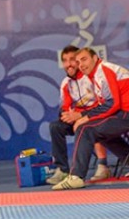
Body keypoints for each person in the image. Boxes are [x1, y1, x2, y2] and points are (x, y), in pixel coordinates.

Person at [52, 47, 129, 190]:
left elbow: (113, 103)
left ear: (95, 58)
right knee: (100, 132)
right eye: (78, 61)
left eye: (84, 59)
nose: (81, 64)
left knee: (86, 129)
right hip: (123, 111)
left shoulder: (103, 71)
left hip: (125, 112)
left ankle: (76, 176)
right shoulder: (95, 75)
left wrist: (83, 117)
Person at [47, 45, 110, 185]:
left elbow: (103, 105)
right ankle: (62, 169)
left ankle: (102, 165)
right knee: (55, 127)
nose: (68, 64)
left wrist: (82, 117)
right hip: (77, 118)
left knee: (89, 125)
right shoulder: (66, 83)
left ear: (79, 62)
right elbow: (65, 108)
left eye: (72, 59)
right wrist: (68, 116)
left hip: (97, 115)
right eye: (65, 60)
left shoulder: (91, 77)